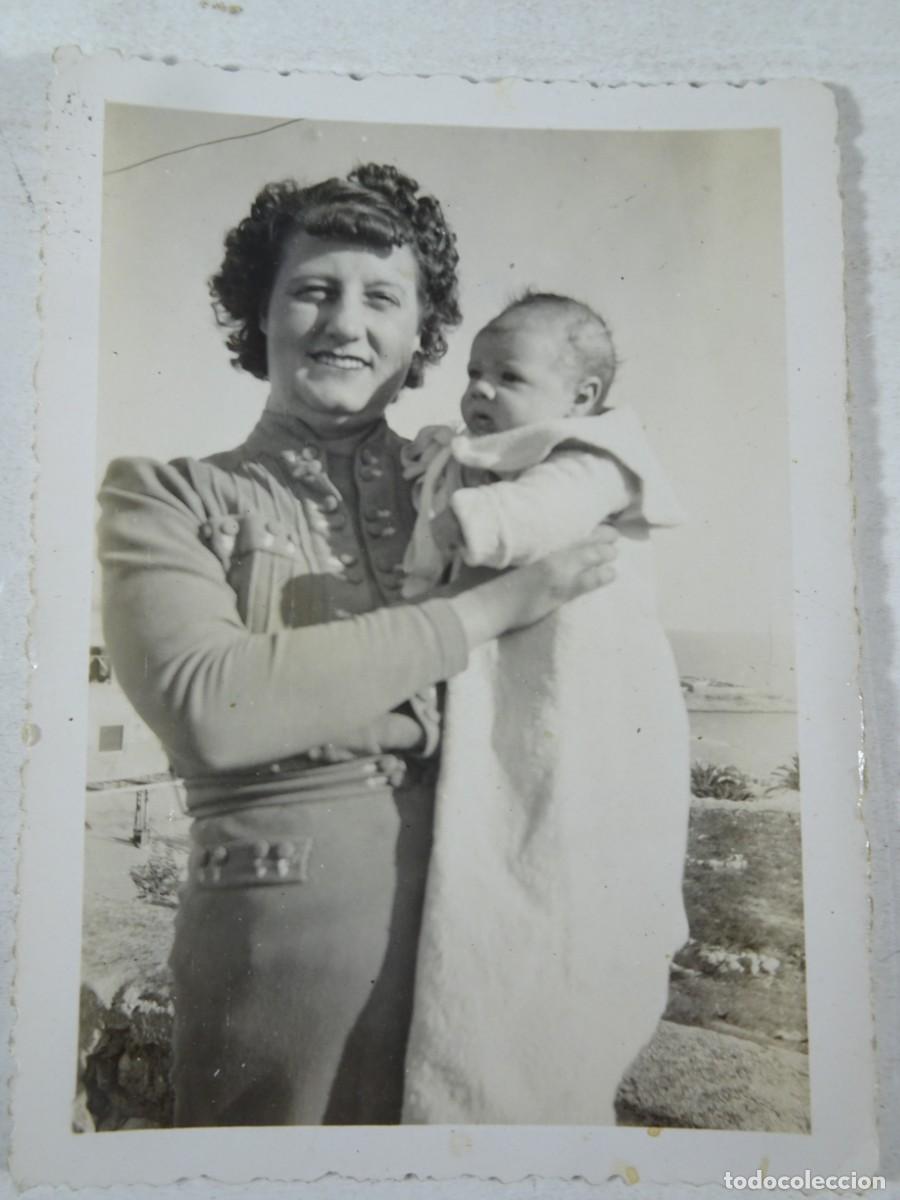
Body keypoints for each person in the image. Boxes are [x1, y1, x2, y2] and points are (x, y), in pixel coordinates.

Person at [97, 164, 619, 1127]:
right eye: (312, 290)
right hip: (283, 957)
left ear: (422, 335)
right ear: (260, 315)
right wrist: (488, 611)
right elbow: (213, 706)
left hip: (489, 934)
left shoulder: (471, 489)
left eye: (381, 297)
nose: (346, 323)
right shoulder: (167, 497)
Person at [399, 293, 691, 1123]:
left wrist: (453, 492)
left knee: (559, 893)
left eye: (508, 377)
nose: (479, 393)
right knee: (492, 898)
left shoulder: (596, 457)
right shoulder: (503, 458)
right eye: (474, 374)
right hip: (516, 727)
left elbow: (514, 523)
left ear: (583, 397)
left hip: (589, 726)